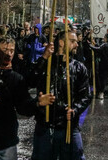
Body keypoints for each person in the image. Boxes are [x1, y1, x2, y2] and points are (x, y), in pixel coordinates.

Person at [29, 29, 91, 160]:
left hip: (69, 125)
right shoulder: (46, 64)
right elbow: (30, 80)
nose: (77, 44)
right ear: (61, 43)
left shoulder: (79, 67)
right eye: (73, 41)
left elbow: (85, 95)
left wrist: (75, 109)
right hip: (46, 125)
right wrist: (44, 57)